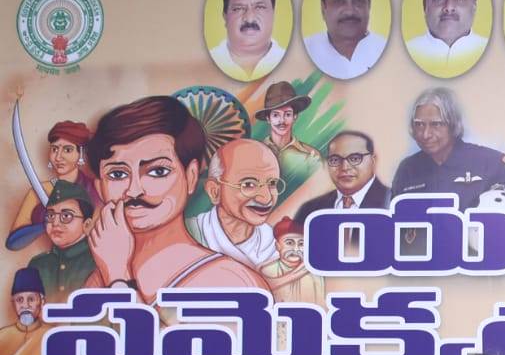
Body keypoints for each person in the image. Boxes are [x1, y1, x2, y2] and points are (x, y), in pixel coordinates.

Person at [81, 95, 269, 301]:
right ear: (100, 188)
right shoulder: (99, 278)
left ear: (191, 176)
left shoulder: (232, 281)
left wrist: (118, 278)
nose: (134, 191)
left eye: (158, 171)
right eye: (117, 174)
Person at [389, 87, 505, 214]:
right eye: (419, 125)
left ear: (453, 124)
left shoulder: (489, 161)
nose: (426, 134)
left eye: (436, 124)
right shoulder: (407, 169)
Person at [189, 138, 284, 270]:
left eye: (272, 183)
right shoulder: (189, 235)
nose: (266, 198)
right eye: (249, 184)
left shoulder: (275, 245)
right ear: (214, 191)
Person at [7, 119, 101, 250]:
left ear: (80, 153)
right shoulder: (39, 190)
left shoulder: (95, 188)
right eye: (55, 149)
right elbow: (13, 242)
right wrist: (48, 223)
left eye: (67, 150)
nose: (58, 157)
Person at [294, 130, 388, 236]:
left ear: (373, 160)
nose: (344, 167)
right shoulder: (309, 210)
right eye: (335, 160)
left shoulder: (391, 202)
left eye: (355, 158)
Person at [303, 0, 386, 79]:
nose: (349, 11)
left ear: (369, 6)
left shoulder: (387, 50)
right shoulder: (305, 51)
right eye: (338, 1)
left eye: (358, 1)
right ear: (323, 9)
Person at [209, 0, 285, 82]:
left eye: (259, 7)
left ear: (273, 13)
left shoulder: (290, 60)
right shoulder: (208, 61)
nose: (249, 18)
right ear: (225, 16)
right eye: (238, 8)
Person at [406, 0, 488, 74]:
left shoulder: (490, 52)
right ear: (425, 5)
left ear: (474, 5)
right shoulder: (406, 52)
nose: (449, 7)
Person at [27, 179, 96, 302]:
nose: (55, 223)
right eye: (50, 216)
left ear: (87, 224)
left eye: (66, 216)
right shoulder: (37, 265)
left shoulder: (97, 262)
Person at [261, 217, 325, 306]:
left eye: (301, 244)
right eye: (289, 243)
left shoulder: (314, 272)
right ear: (277, 246)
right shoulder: (267, 271)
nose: (295, 249)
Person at [256, 81, 322, 165]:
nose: (282, 121)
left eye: (287, 114)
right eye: (276, 115)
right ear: (268, 118)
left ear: (294, 116)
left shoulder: (311, 155)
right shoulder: (256, 151)